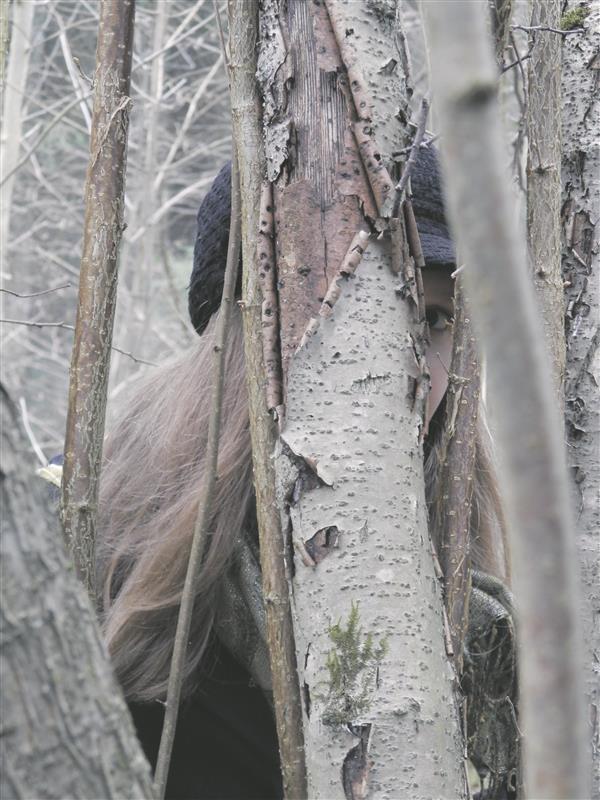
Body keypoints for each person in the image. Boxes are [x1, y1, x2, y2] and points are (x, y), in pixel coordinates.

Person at [96, 150, 514, 800]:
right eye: (345, 318)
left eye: (433, 320)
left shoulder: (481, 607)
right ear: (236, 344)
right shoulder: (123, 586)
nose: (398, 369)